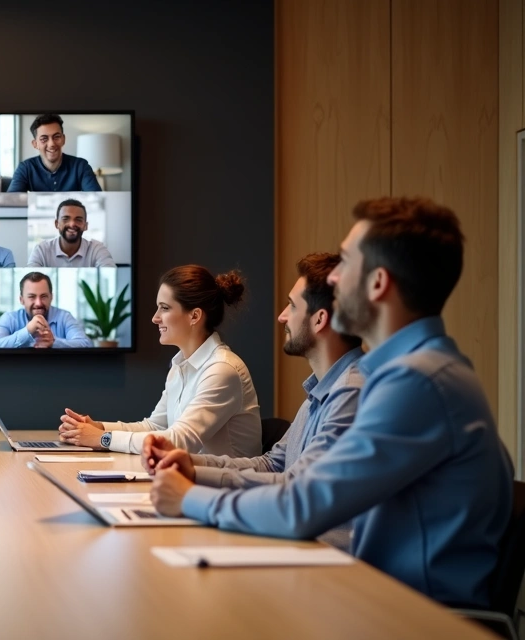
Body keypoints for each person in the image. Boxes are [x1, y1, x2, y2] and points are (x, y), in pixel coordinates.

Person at [150, 197, 514, 609]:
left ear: (377, 283)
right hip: (379, 603)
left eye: (345, 262)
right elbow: (294, 483)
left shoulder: (416, 382)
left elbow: (301, 504)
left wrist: (188, 497)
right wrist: (194, 472)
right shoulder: (410, 372)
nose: (334, 278)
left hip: (410, 618)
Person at [141, 253, 364, 549]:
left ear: (320, 319)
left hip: (323, 555)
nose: (282, 316)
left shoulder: (350, 392)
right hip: (299, 543)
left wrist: (191, 496)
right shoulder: (321, 389)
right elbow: (273, 464)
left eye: (292, 306)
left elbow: (295, 491)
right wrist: (193, 467)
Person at [58, 265, 261, 457]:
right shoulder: (180, 365)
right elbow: (155, 427)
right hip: (193, 482)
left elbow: (179, 441)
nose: (155, 318)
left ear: (195, 316)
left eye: (164, 308)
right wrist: (98, 428)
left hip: (227, 490)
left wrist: (103, 439)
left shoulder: (222, 370)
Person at [0, 272, 91, 348]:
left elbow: (86, 344)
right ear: (21, 300)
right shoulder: (10, 318)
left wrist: (53, 342)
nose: (38, 303)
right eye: (32, 296)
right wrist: (27, 331)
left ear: (51, 297)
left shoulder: (65, 317)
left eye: (44, 296)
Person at [7, 114, 101, 192]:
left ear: (63, 139)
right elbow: (11, 201)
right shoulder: (25, 168)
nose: (51, 144)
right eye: (44, 139)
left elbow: (97, 199)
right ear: (35, 144)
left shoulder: (81, 166)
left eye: (56, 137)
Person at [27, 199, 116, 267]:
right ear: (56, 224)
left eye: (78, 219)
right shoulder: (42, 250)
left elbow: (110, 272)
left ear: (85, 226)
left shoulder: (97, 249)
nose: (72, 224)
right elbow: (31, 277)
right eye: (66, 219)